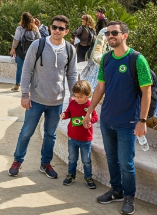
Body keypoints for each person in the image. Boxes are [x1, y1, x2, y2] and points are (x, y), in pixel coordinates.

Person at [84, 21, 153, 215]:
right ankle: (117, 191)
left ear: (125, 35)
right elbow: (100, 87)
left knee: (126, 162)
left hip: (128, 122)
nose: (110, 36)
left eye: (115, 32)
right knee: (112, 158)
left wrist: (142, 121)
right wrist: (89, 111)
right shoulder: (106, 59)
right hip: (107, 119)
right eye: (108, 33)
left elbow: (146, 92)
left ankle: (129, 197)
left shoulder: (137, 60)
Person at [9, 15, 77, 180]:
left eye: (61, 28)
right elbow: (26, 70)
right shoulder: (37, 45)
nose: (56, 30)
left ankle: (45, 163)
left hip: (57, 101)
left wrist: (74, 95)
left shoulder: (69, 49)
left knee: (50, 135)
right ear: (50, 28)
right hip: (36, 99)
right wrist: (25, 94)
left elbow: (72, 74)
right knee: (27, 131)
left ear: (66, 31)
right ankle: (17, 161)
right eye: (54, 27)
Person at [60, 80, 99, 189]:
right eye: (76, 96)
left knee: (86, 160)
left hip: (85, 139)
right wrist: (64, 115)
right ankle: (71, 175)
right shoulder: (72, 103)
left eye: (80, 97)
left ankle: (88, 177)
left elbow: (95, 117)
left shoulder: (90, 105)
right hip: (72, 137)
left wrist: (91, 120)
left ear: (87, 95)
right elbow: (69, 113)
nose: (77, 99)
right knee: (72, 158)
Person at [10, 13, 41, 91]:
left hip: (21, 51)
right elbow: (39, 39)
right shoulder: (35, 28)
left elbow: (16, 40)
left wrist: (13, 49)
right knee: (33, 69)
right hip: (33, 51)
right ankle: (33, 86)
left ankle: (17, 85)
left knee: (20, 68)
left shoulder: (20, 28)